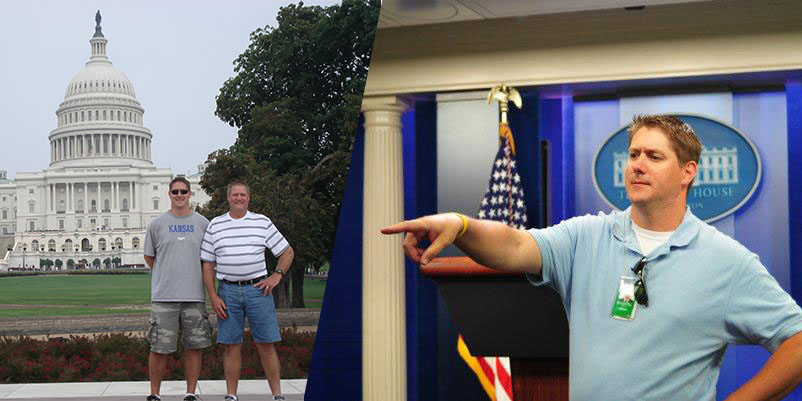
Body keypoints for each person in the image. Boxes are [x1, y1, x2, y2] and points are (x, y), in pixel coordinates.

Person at [382, 115, 802, 401]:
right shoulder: (587, 236)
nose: (638, 165)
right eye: (634, 154)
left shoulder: (726, 260)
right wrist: (461, 224)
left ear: (688, 171)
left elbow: (797, 341)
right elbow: (512, 245)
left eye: (654, 157)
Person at [201, 180, 295, 401]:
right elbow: (208, 264)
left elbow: (287, 252)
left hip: (258, 290)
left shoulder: (262, 223)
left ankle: (277, 395)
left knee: (266, 344)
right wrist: (213, 296)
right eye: (235, 195)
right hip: (227, 292)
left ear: (249, 198)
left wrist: (276, 275)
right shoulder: (215, 225)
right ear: (228, 198)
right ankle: (231, 395)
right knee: (231, 346)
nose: (239, 198)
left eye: (243, 195)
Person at [143, 176, 211, 401]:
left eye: (183, 191)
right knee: (159, 347)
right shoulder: (157, 224)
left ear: (190, 194)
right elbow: (150, 257)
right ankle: (155, 394)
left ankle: (190, 393)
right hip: (164, 296)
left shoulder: (203, 223)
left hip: (194, 295)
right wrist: (169, 274)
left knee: (194, 346)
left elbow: (208, 260)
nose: (179, 195)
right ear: (169, 194)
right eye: (175, 192)